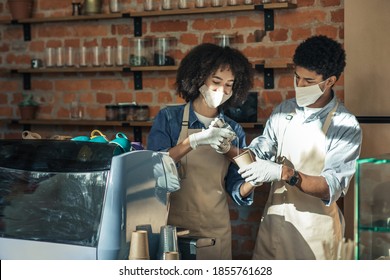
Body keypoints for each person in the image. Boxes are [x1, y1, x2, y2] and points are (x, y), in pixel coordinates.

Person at [238, 35, 362, 259]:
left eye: (309, 81)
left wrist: (284, 173)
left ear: (330, 81)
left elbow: (331, 187)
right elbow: (260, 151)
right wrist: (231, 146)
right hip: (274, 227)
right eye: (297, 77)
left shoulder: (345, 125)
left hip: (315, 236)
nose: (300, 85)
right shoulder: (284, 111)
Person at [147, 43, 255, 259]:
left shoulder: (233, 130)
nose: (222, 90)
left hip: (214, 229)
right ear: (199, 77)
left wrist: (254, 178)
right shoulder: (169, 118)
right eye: (216, 82)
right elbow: (153, 170)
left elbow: (236, 188)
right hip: (171, 228)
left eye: (229, 85)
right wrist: (193, 141)